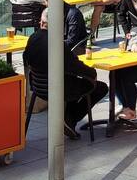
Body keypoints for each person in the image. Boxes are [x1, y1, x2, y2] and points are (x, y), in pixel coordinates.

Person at [23, 8, 108, 140]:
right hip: (57, 89)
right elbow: (75, 66)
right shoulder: (57, 44)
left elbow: (26, 59)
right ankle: (70, 119)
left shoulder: (32, 38)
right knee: (99, 87)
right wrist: (92, 73)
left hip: (37, 87)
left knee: (77, 82)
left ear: (41, 22)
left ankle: (68, 119)